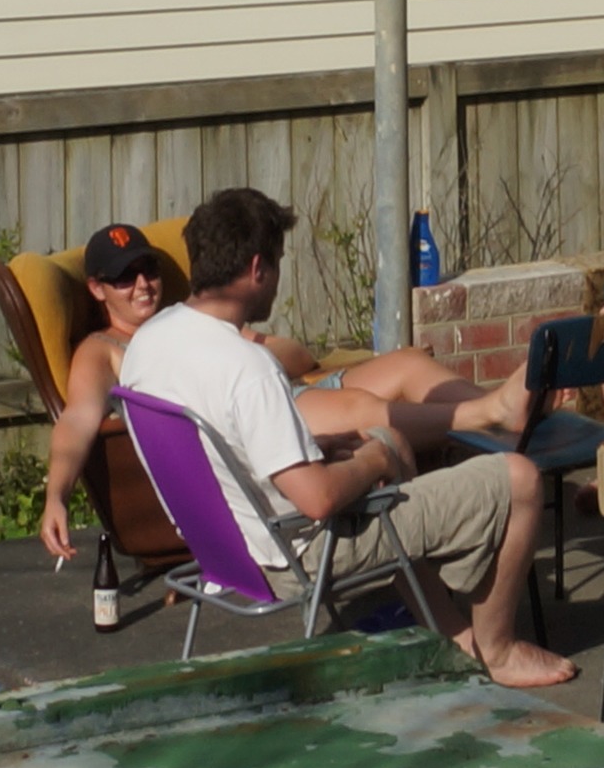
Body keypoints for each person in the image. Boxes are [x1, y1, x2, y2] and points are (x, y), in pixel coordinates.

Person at [117, 188, 574, 688]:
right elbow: (317, 500)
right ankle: (497, 650)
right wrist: (372, 461)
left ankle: (449, 632)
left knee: (387, 441)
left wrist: (338, 452)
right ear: (257, 269)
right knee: (520, 479)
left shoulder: (149, 342)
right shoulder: (247, 367)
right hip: (293, 556)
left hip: (222, 551)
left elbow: (224, 452)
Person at [36, 223, 523, 565]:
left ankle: (506, 412)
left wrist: (254, 346)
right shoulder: (103, 352)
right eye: (124, 277)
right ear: (98, 290)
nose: (142, 284)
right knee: (369, 414)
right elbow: (78, 421)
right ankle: (486, 414)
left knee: (408, 364)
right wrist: (56, 495)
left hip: (289, 388)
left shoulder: (192, 320)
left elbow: (299, 356)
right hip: (263, 416)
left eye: (148, 269)